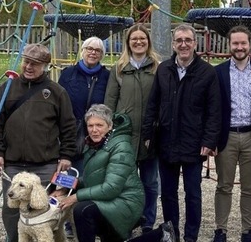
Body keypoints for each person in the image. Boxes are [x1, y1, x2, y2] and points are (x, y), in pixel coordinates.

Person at [0, 43, 76, 242]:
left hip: (45, 163)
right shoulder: (7, 88)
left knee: (43, 212)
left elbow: (69, 127)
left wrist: (66, 155)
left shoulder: (56, 92)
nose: (28, 66)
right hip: (13, 163)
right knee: (11, 211)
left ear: (45, 66)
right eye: (26, 61)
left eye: (35, 64)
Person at [142, 23, 221, 242]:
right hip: (166, 140)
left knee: (193, 194)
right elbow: (153, 104)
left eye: (188, 40)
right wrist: (148, 134)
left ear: (195, 43)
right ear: (173, 44)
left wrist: (209, 140)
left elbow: (214, 111)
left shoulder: (207, 72)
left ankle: (190, 236)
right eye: (179, 41)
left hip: (194, 142)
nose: (183, 44)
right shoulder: (164, 69)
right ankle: (171, 232)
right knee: (167, 194)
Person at [53, 104, 175, 242]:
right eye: (90, 126)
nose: (94, 130)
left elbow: (111, 188)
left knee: (82, 210)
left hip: (126, 202)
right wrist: (67, 187)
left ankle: (160, 234)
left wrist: (75, 197)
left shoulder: (121, 147)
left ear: (110, 126)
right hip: (110, 200)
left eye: (99, 125)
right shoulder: (94, 144)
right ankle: (161, 235)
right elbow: (92, 177)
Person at [212, 25, 251, 242]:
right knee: (224, 185)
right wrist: (212, 139)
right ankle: (221, 229)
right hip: (226, 136)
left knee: (249, 187)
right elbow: (213, 108)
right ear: (229, 45)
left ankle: (248, 230)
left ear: (250, 44)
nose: (239, 47)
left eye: (243, 43)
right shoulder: (217, 72)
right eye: (235, 43)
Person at [104, 24, 162, 233]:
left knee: (150, 182)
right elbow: (110, 102)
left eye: (142, 38)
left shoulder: (157, 67)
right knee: (125, 182)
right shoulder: (119, 68)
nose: (138, 42)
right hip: (124, 135)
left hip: (149, 134)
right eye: (134, 39)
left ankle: (148, 221)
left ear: (148, 41)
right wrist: (109, 132)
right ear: (128, 43)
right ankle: (127, 220)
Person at [59, 36, 111, 174]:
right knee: (75, 174)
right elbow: (59, 101)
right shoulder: (68, 74)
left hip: (97, 131)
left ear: (102, 55)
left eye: (97, 50)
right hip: (74, 130)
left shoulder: (107, 76)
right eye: (89, 49)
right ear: (83, 51)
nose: (93, 53)